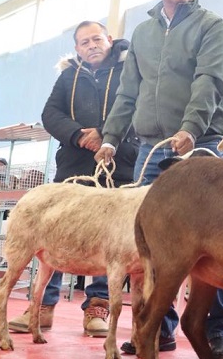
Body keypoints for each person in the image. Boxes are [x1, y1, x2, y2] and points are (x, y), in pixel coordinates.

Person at [96, 0, 223, 359]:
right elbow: (127, 91)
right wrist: (110, 137)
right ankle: (160, 327)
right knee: (151, 247)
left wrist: (191, 130)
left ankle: (218, 329)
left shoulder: (213, 26)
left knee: (215, 242)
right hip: (148, 148)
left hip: (201, 143)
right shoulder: (141, 34)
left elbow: (209, 81)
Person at [8, 20, 138, 338]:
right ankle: (42, 306)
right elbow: (50, 114)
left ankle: (98, 306)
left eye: (97, 39)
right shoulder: (68, 75)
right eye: (84, 42)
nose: (92, 45)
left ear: (109, 39)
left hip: (118, 167)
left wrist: (106, 134)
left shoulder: (131, 70)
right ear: (77, 48)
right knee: (54, 235)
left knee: (110, 243)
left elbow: (138, 107)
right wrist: (79, 135)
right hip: (73, 169)